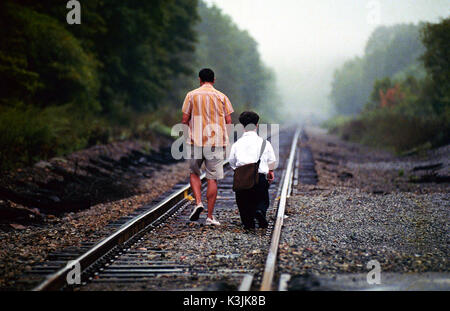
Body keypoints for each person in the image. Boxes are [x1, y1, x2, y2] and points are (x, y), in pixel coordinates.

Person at [181, 68, 234, 226]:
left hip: (195, 142)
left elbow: (184, 119)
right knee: (212, 178)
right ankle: (210, 217)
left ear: (199, 80)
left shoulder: (191, 95)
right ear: (214, 80)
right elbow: (229, 120)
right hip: (216, 143)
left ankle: (198, 203)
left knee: (194, 173)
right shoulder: (221, 96)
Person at [228, 111, 277, 229]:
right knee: (262, 198)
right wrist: (270, 172)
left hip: (243, 179)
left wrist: (241, 171)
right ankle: (260, 211)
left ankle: (248, 223)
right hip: (260, 177)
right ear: (257, 125)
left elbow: (231, 162)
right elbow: (272, 160)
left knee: (243, 202)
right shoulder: (265, 143)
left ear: (242, 126)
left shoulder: (237, 144)